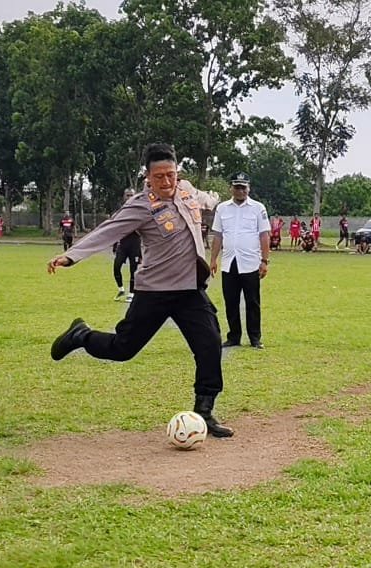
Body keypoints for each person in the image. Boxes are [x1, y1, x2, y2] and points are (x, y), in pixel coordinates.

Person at [46, 142, 233, 437]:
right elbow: (109, 229)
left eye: (171, 175)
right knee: (123, 349)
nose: (166, 182)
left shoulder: (187, 190)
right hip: (154, 291)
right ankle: (81, 336)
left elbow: (207, 201)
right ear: (148, 177)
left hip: (190, 290)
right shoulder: (140, 205)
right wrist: (71, 255)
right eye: (159, 177)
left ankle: (204, 412)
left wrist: (217, 199)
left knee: (210, 345)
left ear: (178, 172)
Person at [209, 171, 270, 350]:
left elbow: (264, 235)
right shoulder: (222, 208)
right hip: (229, 262)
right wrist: (213, 259)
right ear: (231, 188)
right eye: (237, 187)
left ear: (248, 189)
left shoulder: (258, 208)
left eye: (243, 187)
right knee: (231, 301)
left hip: (250, 262)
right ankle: (234, 336)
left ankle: (255, 337)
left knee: (252, 302)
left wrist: (265, 261)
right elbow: (218, 236)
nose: (240, 191)